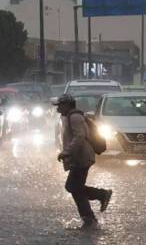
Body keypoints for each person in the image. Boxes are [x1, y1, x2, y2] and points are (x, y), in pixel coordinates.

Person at [53, 94, 112, 229]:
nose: (58, 109)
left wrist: (66, 152)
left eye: (60, 106)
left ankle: (101, 195)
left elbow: (80, 137)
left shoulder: (75, 117)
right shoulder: (71, 117)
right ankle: (88, 218)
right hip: (78, 157)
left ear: (67, 105)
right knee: (75, 188)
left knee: (72, 187)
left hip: (82, 157)